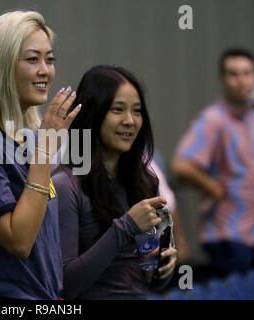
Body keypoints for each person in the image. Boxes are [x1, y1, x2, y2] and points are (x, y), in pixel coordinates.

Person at [0, 10, 81, 299]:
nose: (46, 70)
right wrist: (45, 150)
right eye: (32, 59)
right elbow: (19, 242)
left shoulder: (31, 141)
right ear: (2, 67)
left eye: (50, 59)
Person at [52, 65, 177, 299]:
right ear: (93, 114)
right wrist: (127, 226)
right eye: (117, 109)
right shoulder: (65, 186)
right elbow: (65, 285)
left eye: (137, 111)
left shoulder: (146, 181)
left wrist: (162, 269)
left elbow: (147, 281)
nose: (130, 121)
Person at [172, 48, 254, 276]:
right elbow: (181, 164)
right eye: (234, 74)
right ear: (222, 79)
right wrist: (213, 189)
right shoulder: (213, 119)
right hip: (228, 234)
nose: (241, 81)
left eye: (247, 73)